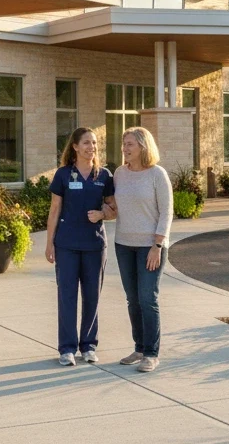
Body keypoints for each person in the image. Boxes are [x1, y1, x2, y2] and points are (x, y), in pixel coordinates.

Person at [46, 127, 116, 366]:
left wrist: (102, 214)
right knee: (67, 297)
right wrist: (49, 243)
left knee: (92, 296)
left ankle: (88, 346)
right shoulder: (64, 174)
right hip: (66, 245)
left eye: (94, 143)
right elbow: (54, 210)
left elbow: (114, 208)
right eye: (86, 143)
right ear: (75, 147)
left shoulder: (104, 175)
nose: (91, 147)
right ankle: (67, 348)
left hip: (94, 245)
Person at [106, 127, 173, 373]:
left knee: (147, 299)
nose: (125, 148)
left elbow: (166, 212)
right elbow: (114, 207)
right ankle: (139, 347)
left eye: (130, 144)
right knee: (132, 299)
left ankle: (151, 354)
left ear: (143, 147)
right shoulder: (119, 174)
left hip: (150, 247)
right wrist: (102, 212)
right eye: (124, 143)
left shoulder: (157, 174)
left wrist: (158, 245)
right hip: (124, 244)